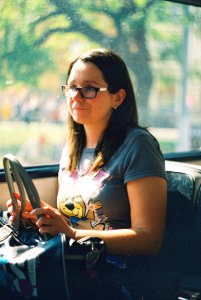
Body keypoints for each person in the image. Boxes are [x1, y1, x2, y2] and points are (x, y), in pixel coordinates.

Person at [7, 48, 167, 299]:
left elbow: (149, 238)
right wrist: (43, 217)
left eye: (89, 89)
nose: (77, 97)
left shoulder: (138, 145)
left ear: (118, 97)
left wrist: (72, 235)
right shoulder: (73, 148)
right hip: (71, 266)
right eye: (71, 87)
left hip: (116, 279)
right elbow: (79, 218)